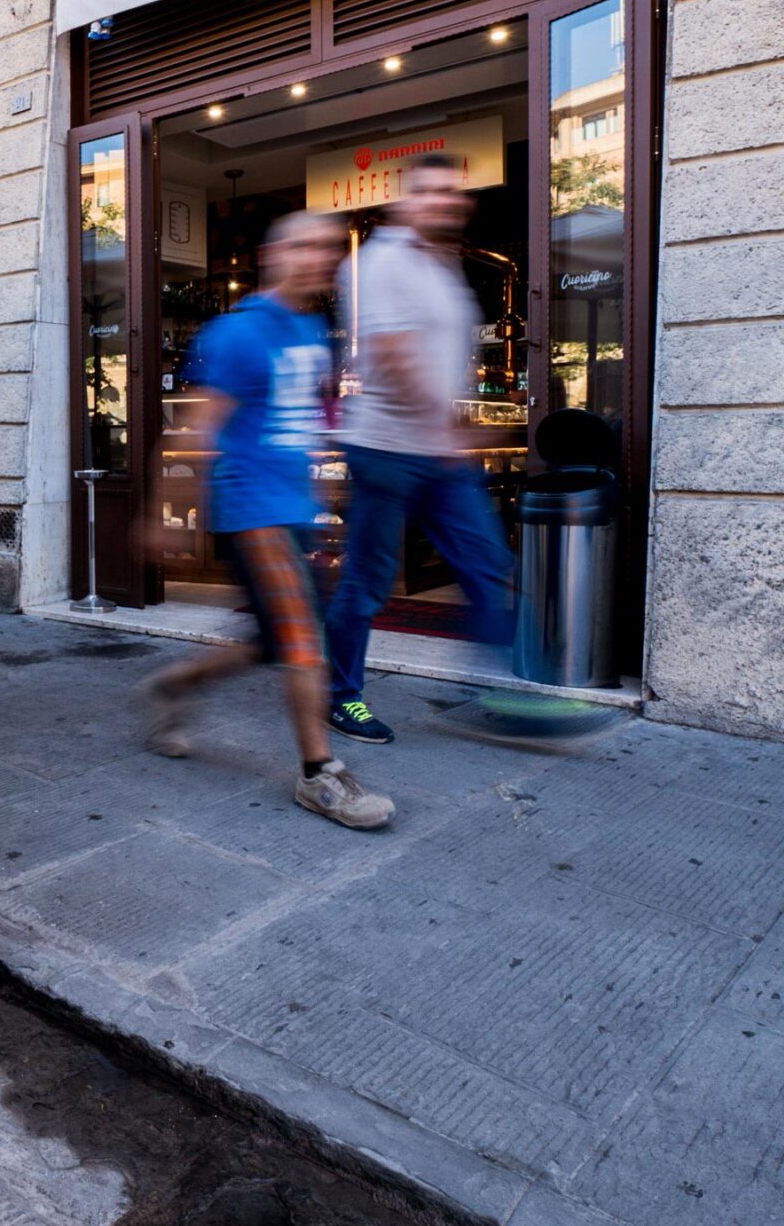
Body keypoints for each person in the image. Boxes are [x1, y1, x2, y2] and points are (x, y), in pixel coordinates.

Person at [139, 210, 394, 831]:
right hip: (251, 508)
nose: (317, 257)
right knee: (303, 637)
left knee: (271, 643)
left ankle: (176, 684)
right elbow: (194, 431)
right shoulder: (237, 334)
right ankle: (318, 774)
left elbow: (300, 424)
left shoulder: (311, 329)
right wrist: (158, 512)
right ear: (271, 256)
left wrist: (321, 499)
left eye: (327, 248)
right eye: (302, 246)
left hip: (294, 508)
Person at [322, 153, 520, 746]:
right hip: (386, 449)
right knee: (369, 581)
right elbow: (392, 352)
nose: (444, 201)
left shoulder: (444, 266)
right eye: (430, 191)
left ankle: (507, 695)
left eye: (452, 192)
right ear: (406, 201)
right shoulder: (381, 260)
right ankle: (341, 697)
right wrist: (445, 427)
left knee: (486, 563)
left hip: (436, 451)